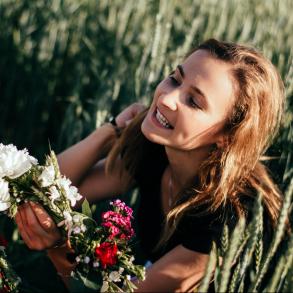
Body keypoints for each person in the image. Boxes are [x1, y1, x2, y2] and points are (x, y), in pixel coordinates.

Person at [15, 39, 284, 292]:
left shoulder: (229, 218)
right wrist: (109, 132)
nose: (166, 98)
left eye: (193, 101)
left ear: (227, 136)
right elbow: (46, 190)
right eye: (175, 79)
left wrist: (59, 246)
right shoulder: (156, 151)